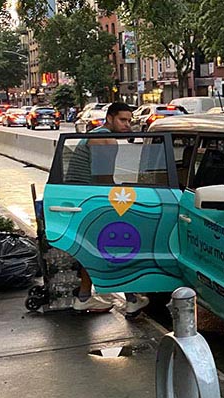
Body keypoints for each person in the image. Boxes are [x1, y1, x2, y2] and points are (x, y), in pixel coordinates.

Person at [69, 101, 150, 315]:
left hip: (80, 198)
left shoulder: (96, 134)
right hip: (91, 199)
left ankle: (84, 297)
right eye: (122, 120)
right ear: (110, 118)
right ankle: (132, 298)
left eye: (130, 121)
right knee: (119, 245)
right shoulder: (106, 140)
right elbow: (104, 179)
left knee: (94, 248)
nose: (127, 125)